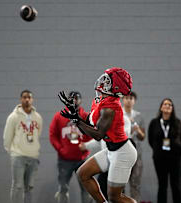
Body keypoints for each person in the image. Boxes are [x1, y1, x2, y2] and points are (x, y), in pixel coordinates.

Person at [59, 67, 137, 203]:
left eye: (108, 80)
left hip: (123, 153)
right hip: (112, 150)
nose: (103, 81)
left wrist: (76, 119)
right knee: (83, 174)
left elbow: (98, 135)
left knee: (115, 197)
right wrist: (75, 112)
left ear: (116, 86)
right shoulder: (101, 100)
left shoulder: (110, 108)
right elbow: (88, 124)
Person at [79, 97, 133, 200]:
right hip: (109, 155)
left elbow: (123, 137)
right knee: (99, 184)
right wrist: (85, 145)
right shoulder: (103, 120)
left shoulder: (124, 119)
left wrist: (104, 132)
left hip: (120, 156)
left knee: (116, 196)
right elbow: (98, 139)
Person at [49, 91, 93, 203]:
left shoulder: (85, 116)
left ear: (81, 100)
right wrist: (60, 149)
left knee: (86, 189)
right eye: (71, 98)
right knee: (63, 189)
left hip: (82, 159)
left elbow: (92, 133)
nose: (74, 100)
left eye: (76, 98)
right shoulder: (59, 116)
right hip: (65, 160)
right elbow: (53, 135)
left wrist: (86, 145)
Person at [3, 89, 43, 203]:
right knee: (17, 186)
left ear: (32, 100)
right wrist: (12, 152)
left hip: (33, 156)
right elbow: (7, 136)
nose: (27, 99)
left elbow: (38, 134)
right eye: (24, 97)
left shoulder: (37, 117)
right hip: (18, 156)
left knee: (29, 188)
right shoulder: (13, 117)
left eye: (29, 97)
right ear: (21, 100)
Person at [148, 98, 181, 203]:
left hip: (175, 158)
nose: (167, 106)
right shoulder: (154, 123)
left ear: (172, 108)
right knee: (162, 185)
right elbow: (151, 140)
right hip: (160, 158)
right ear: (161, 107)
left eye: (170, 104)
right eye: (165, 104)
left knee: (175, 185)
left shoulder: (178, 123)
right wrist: (158, 150)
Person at [122, 91, 145, 202]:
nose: (129, 100)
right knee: (120, 185)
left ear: (134, 101)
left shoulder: (139, 116)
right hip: (121, 155)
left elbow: (142, 137)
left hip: (136, 154)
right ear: (122, 99)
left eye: (131, 98)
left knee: (135, 184)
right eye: (126, 98)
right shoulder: (118, 114)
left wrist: (137, 129)